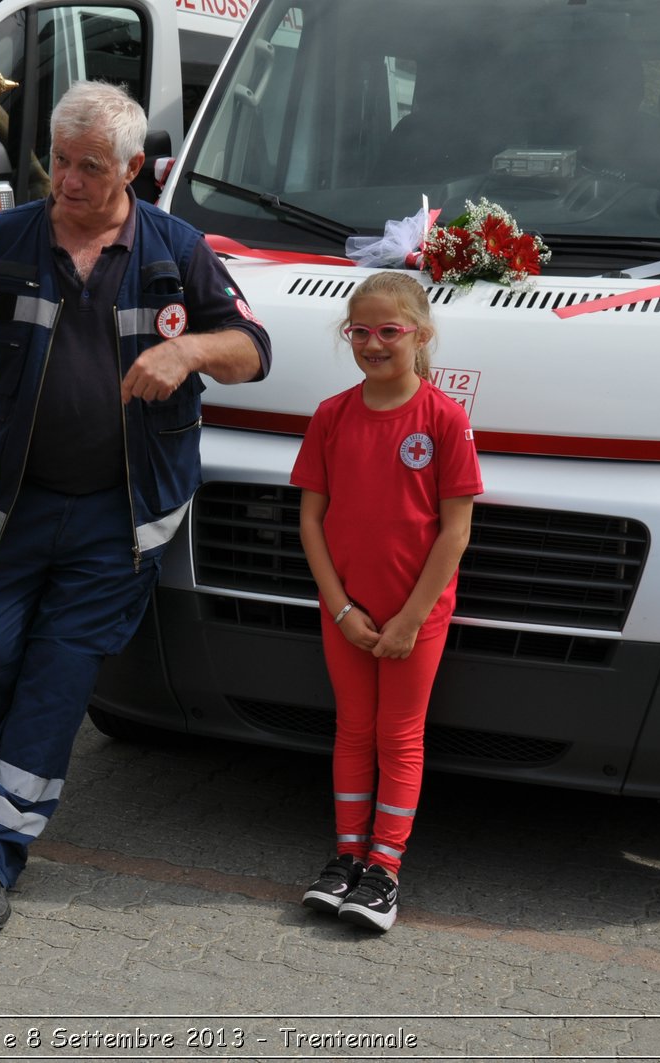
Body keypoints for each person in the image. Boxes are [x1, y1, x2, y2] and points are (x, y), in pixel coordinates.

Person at [0, 80, 272, 931]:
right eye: (60, 160)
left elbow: (252, 350)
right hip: (8, 505)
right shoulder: (0, 241)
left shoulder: (176, 248)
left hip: (117, 520)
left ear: (133, 168)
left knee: (55, 674)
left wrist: (189, 349)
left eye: (93, 167)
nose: (71, 181)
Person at [289, 271, 480, 932]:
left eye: (389, 331)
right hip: (346, 613)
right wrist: (341, 607)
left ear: (420, 334)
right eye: (360, 331)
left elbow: (455, 530)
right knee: (353, 730)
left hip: (414, 620)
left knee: (399, 737)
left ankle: (384, 868)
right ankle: (344, 856)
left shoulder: (443, 419)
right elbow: (311, 520)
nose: (373, 343)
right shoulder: (331, 416)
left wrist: (410, 618)